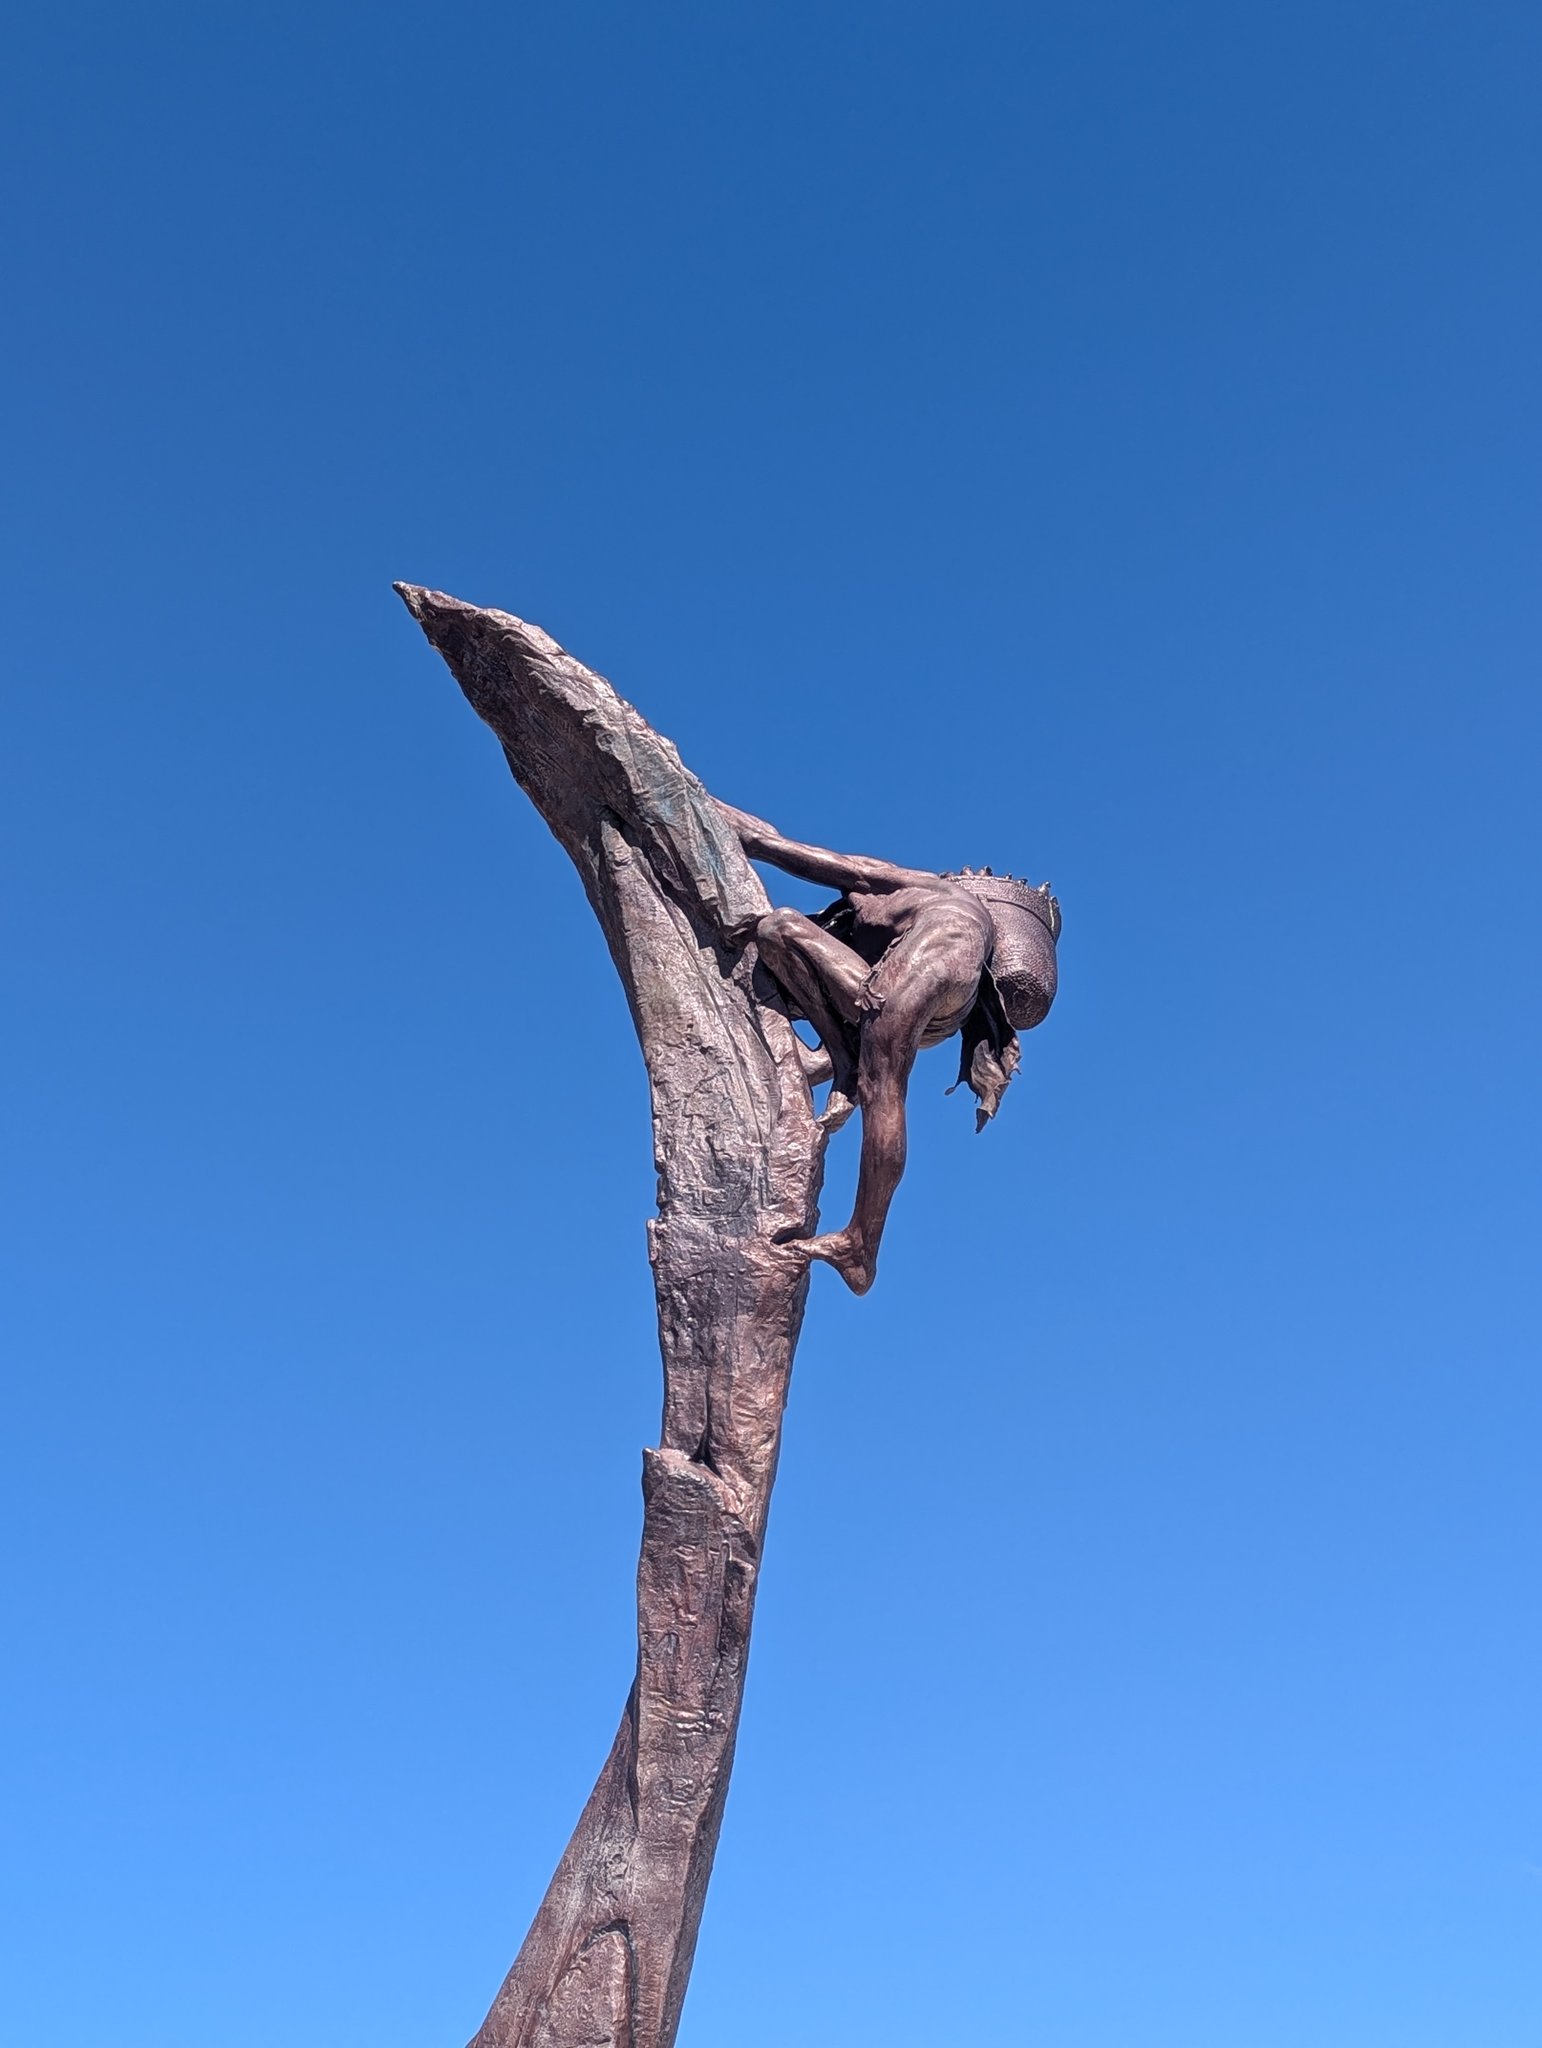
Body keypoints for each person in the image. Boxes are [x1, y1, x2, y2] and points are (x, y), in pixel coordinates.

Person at [717, 802, 1060, 1294]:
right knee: (780, 928)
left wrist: (701, 805)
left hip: (931, 962)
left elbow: (776, 846)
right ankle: (841, 1059)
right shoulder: (925, 918)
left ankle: (860, 1245)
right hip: (943, 997)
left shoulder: (911, 888)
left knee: (883, 1094)